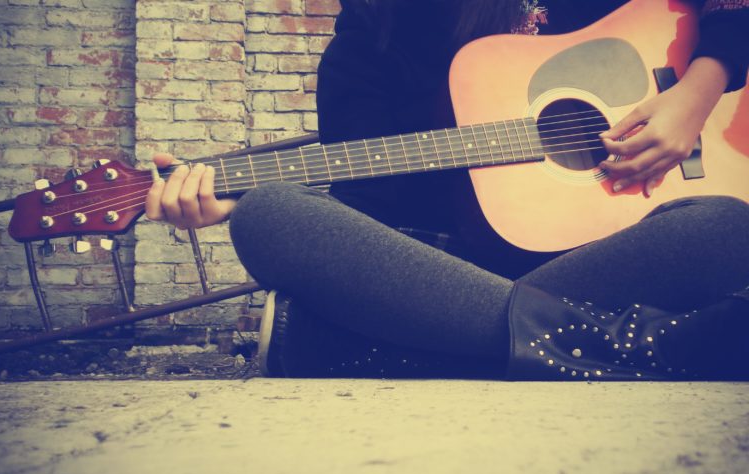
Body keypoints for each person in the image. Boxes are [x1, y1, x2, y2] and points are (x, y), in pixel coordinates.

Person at [145, 0, 749, 380]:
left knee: (728, 227)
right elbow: (368, 202)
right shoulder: (377, 22)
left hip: (597, 257)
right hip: (444, 271)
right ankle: (649, 344)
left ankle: (402, 352)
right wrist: (230, 193)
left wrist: (693, 98)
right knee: (270, 214)